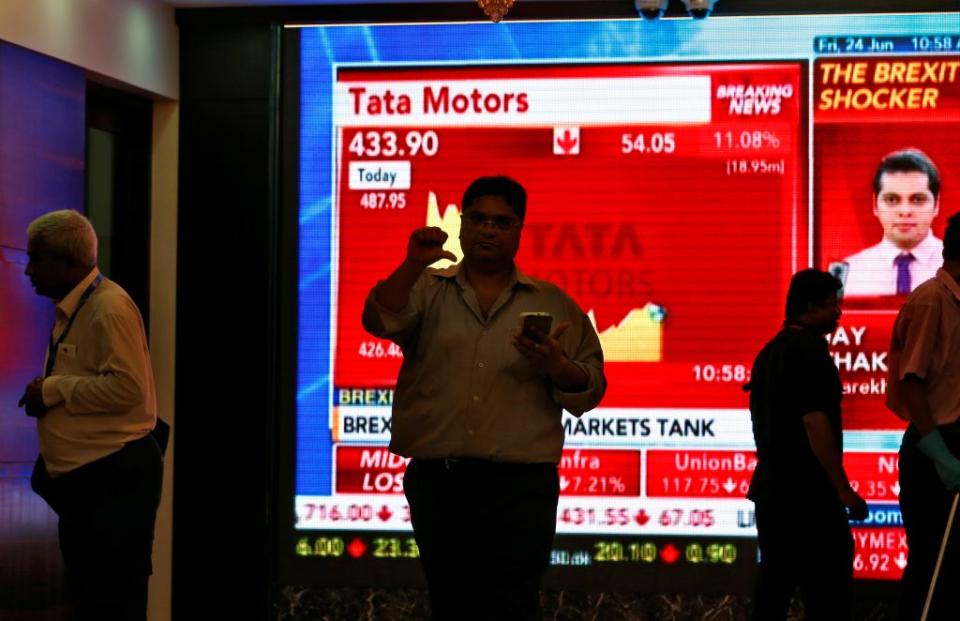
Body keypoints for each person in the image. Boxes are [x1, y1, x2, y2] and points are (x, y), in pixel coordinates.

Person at [361, 176, 606, 621]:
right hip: (440, 481)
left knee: (514, 605)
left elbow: (590, 387)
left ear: (518, 231)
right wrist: (412, 263)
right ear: (461, 224)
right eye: (477, 218)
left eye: (501, 221)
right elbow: (378, 320)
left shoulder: (552, 300)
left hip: (522, 488)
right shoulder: (426, 287)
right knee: (451, 603)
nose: (488, 229)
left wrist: (554, 365)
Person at [17, 210, 162, 621]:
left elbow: (129, 389)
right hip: (90, 486)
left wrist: (53, 389)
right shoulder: (78, 307)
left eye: (37, 259)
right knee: (92, 600)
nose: (28, 270)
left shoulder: (107, 308)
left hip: (114, 482)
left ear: (68, 263)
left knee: (112, 602)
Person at [746, 268, 868, 620]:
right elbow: (815, 421)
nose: (839, 313)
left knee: (773, 591)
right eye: (832, 305)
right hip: (809, 497)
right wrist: (843, 490)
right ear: (810, 307)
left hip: (772, 494)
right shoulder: (810, 352)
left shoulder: (769, 352)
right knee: (829, 595)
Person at [886, 211, 960, 620]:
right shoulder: (932, 299)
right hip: (936, 447)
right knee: (932, 567)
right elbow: (911, 381)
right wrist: (941, 455)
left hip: (952, 442)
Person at [840, 148, 943, 297]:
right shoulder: (847, 273)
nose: (905, 211)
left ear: (936, 205)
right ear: (875, 205)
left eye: (918, 199)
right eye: (892, 200)